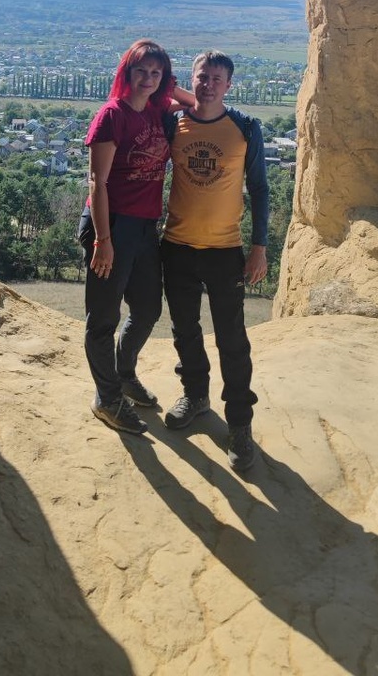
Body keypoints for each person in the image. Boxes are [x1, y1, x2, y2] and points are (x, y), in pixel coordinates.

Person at [161, 50, 269, 472]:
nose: (208, 85)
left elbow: (259, 189)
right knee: (185, 330)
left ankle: (240, 423)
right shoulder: (174, 124)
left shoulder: (245, 127)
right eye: (202, 77)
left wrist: (259, 247)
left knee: (232, 339)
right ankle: (196, 395)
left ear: (229, 85)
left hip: (225, 250)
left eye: (216, 79)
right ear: (193, 79)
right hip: (177, 245)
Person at [79, 39, 193, 435]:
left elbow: (197, 103)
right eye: (141, 70)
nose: (147, 78)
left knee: (147, 309)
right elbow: (97, 182)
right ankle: (107, 398)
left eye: (155, 72)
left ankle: (124, 374)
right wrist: (103, 240)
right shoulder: (112, 115)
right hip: (112, 224)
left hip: (145, 226)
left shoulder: (157, 110)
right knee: (103, 318)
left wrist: (168, 84)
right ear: (127, 72)